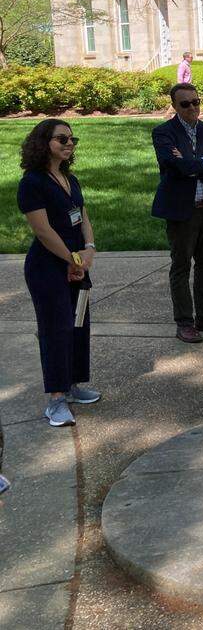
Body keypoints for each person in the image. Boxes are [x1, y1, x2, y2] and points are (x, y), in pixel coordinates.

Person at [18, 119, 99, 428]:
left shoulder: (69, 178)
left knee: (78, 325)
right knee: (56, 328)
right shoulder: (32, 182)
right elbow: (43, 230)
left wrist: (89, 248)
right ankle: (55, 400)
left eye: (72, 138)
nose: (69, 143)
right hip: (48, 268)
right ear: (44, 142)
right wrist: (72, 259)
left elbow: (83, 218)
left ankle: (73, 385)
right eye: (61, 138)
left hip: (78, 264)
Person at [151, 83, 203, 343]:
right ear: (174, 106)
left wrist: (194, 164)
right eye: (185, 104)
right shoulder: (164, 133)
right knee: (181, 265)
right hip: (181, 211)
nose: (192, 107)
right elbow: (175, 166)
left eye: (196, 102)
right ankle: (184, 322)